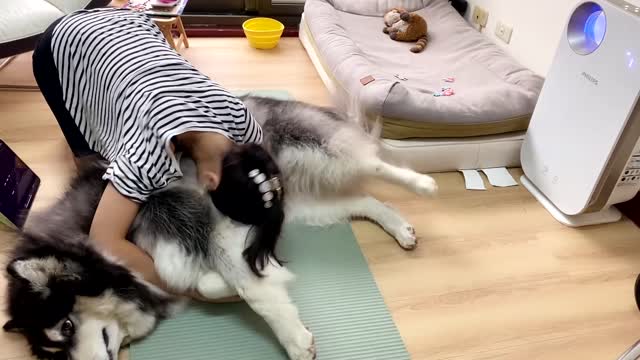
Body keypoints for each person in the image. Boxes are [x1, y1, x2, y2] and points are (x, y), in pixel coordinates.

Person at [32, 7, 264, 299]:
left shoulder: (240, 117)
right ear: (208, 179)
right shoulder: (147, 154)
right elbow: (104, 242)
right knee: (91, 166)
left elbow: (267, 178)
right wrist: (193, 290)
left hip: (132, 22)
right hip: (61, 44)